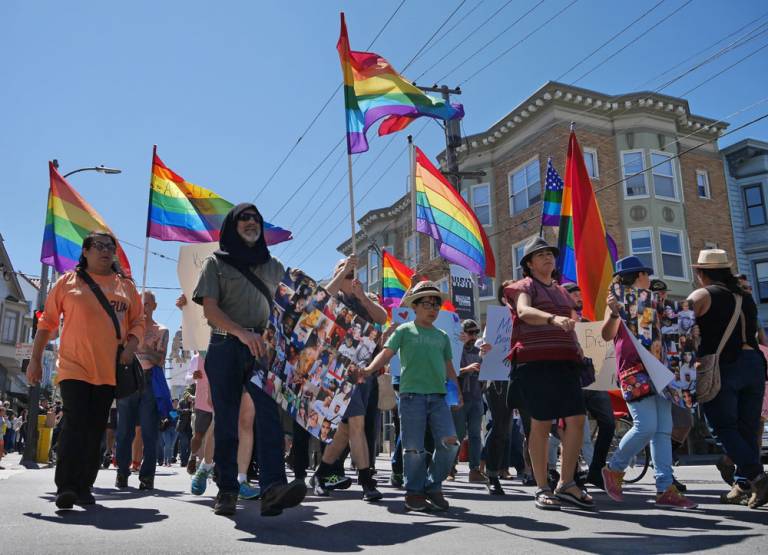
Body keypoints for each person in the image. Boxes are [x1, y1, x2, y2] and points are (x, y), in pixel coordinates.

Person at [192, 203, 305, 516]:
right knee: (226, 420)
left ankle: (273, 489)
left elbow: (300, 307)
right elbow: (210, 310)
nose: (251, 222)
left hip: (263, 350)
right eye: (244, 218)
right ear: (232, 225)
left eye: (256, 218)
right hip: (226, 346)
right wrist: (242, 333)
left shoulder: (275, 266)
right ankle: (227, 490)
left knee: (268, 417)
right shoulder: (216, 263)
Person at [27, 231, 144, 509]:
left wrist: (131, 346)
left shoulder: (125, 286)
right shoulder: (67, 282)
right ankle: (66, 486)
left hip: (108, 370)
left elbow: (138, 320)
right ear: (85, 251)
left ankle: (84, 485)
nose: (106, 251)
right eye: (99, 246)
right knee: (75, 423)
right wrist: (34, 360)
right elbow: (47, 323)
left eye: (110, 247)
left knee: (95, 428)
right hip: (73, 367)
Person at [503, 237, 592, 510]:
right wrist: (552, 318)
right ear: (529, 264)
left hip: (565, 363)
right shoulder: (525, 286)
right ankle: (542, 487)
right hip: (535, 363)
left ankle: (566, 483)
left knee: (576, 420)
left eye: (549, 254)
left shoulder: (564, 292)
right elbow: (523, 310)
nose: (547, 258)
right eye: (539, 255)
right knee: (540, 424)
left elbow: (574, 325)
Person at [601, 256, 696, 509]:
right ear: (636, 276)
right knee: (646, 426)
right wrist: (613, 313)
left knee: (663, 429)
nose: (649, 278)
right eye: (645, 274)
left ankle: (665, 487)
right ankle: (614, 468)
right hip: (633, 369)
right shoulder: (617, 301)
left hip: (662, 370)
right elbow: (606, 334)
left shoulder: (656, 304)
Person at [361, 280, 462, 512]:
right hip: (410, 397)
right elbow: (386, 354)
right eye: (427, 303)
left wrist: (456, 394)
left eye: (437, 304)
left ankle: (433, 485)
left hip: (439, 398)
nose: (433, 309)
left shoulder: (443, 336)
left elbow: (449, 367)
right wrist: (368, 370)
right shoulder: (404, 330)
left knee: (450, 442)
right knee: (413, 447)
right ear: (415, 307)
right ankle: (414, 491)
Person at [689, 250, 767, 508]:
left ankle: (757, 477)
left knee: (722, 427)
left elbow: (677, 326)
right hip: (754, 364)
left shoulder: (702, 295)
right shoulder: (746, 297)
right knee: (747, 427)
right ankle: (744, 484)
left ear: (702, 273)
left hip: (724, 365)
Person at [309, 257, 387, 501]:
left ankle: (321, 474)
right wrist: (340, 272)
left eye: (353, 274)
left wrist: (362, 297)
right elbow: (317, 302)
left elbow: (382, 317)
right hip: (338, 373)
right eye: (346, 274)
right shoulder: (333, 297)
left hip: (365, 373)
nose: (351, 279)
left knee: (344, 431)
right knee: (356, 423)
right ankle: (366, 480)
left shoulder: (363, 298)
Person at [563, 282, 616, 489]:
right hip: (571, 385)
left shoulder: (587, 325)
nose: (579, 297)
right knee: (572, 429)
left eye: (579, 293)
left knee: (609, 423)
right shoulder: (560, 324)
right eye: (574, 294)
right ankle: (572, 475)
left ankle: (596, 470)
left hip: (594, 384)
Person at [115, 290, 166, 490]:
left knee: (148, 433)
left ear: (153, 306)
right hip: (128, 379)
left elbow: (159, 359)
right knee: (124, 431)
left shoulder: (161, 330)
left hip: (149, 380)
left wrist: (143, 346)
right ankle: (122, 473)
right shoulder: (126, 327)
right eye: (139, 303)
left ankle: (147, 477)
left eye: (146, 304)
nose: (143, 307)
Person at [450, 319, 486, 484]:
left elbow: (487, 371)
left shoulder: (480, 351)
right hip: (459, 397)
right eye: (470, 332)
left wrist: (488, 358)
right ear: (463, 333)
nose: (473, 336)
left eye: (476, 332)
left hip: (476, 397)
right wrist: (466, 369)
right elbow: (448, 370)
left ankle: (475, 470)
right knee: (457, 434)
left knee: (475, 436)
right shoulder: (455, 350)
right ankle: (450, 467)